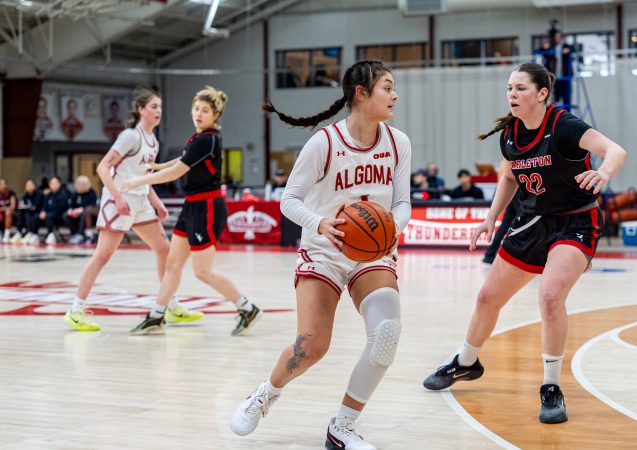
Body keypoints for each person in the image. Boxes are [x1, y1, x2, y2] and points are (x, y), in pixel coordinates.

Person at [421, 63, 627, 425]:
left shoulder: (564, 125)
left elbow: (615, 150)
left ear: (542, 93)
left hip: (575, 221)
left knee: (550, 297)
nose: (512, 95)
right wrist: (490, 218)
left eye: (520, 88)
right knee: (487, 298)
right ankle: (466, 362)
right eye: (509, 89)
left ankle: (551, 386)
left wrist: (604, 172)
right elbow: (508, 177)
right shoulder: (510, 135)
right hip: (532, 222)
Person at [229, 60, 411, 450]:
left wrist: (393, 228)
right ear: (361, 93)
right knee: (312, 346)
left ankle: (343, 426)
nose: (395, 95)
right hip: (324, 251)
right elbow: (289, 200)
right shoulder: (324, 142)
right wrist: (320, 223)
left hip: (372, 253)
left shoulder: (398, 142)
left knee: (386, 334)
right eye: (387, 87)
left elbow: (402, 202)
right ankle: (265, 393)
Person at [122, 86, 259, 336]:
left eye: (205, 110)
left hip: (207, 207)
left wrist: (138, 181)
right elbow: (183, 159)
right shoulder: (198, 139)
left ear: (215, 115)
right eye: (196, 108)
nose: (198, 114)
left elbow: (178, 171)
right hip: (192, 206)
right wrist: (158, 166)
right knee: (173, 264)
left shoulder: (208, 139)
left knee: (202, 272)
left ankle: (246, 308)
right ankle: (156, 315)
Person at [64, 88, 201, 332]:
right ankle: (75, 310)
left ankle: (170, 305)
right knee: (102, 256)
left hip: (140, 201)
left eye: (160, 107)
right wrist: (117, 197)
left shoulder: (153, 141)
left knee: (164, 250)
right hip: (119, 200)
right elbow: (103, 168)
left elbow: (145, 176)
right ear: (140, 110)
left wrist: (156, 203)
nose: (158, 111)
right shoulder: (129, 136)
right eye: (154, 107)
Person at [482, 192, 521, 264]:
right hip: (519, 195)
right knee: (521, 224)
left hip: (513, 195)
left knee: (504, 227)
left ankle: (489, 254)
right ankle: (517, 256)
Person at [64, 175, 98, 244]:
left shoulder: (92, 192)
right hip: (76, 213)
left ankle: (80, 234)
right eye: (84, 185)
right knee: (65, 215)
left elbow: (93, 206)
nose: (87, 186)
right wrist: (71, 210)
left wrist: (81, 209)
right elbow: (71, 205)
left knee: (84, 213)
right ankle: (74, 234)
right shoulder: (75, 193)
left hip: (87, 215)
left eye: (87, 184)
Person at [11, 179, 44, 244]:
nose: (28, 187)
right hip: (28, 212)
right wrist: (22, 206)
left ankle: (32, 234)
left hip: (39, 212)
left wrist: (26, 207)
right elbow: (22, 205)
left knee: (29, 214)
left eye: (30, 185)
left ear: (34, 186)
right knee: (21, 213)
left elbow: (34, 207)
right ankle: (19, 232)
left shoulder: (39, 194)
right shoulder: (25, 195)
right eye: (27, 185)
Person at [39, 177, 70, 244]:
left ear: (59, 184)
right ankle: (33, 234)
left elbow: (60, 209)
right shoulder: (48, 195)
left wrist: (46, 214)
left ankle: (51, 234)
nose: (54, 185)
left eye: (55, 183)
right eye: (52, 183)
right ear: (49, 184)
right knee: (35, 215)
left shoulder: (63, 195)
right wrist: (43, 211)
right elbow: (44, 206)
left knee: (48, 216)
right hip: (49, 214)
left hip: (60, 215)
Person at [0, 179, 17, 243]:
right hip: (1, 214)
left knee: (8, 211)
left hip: (12, 214)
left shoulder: (11, 193)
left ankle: (6, 235)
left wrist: (4, 209)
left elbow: (13, 206)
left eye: (4, 184)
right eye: (1, 184)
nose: (3, 186)